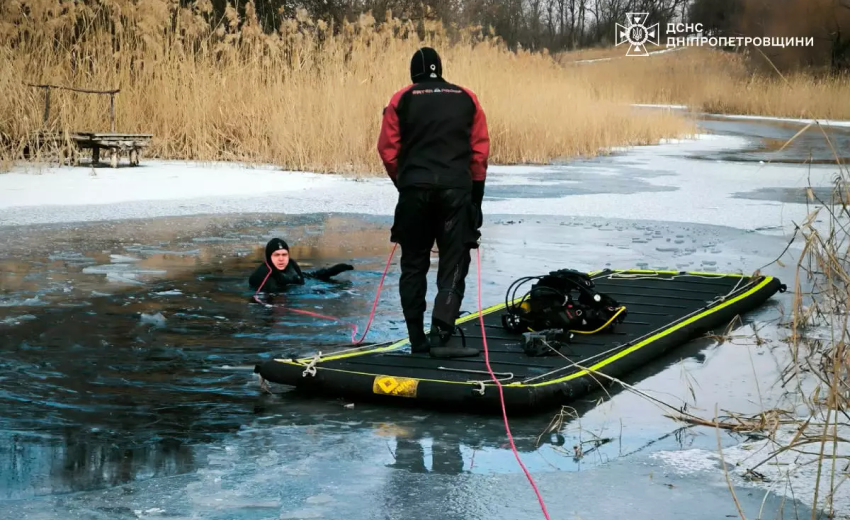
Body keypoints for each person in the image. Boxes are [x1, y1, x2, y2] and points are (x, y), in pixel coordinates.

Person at [377, 46, 490, 357]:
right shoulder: (467, 97)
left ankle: (417, 339)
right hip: (456, 191)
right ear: (440, 69)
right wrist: (475, 198)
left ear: (413, 73)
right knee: (455, 259)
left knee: (413, 264)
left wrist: (405, 182)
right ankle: (442, 329)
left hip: (415, 191)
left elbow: (387, 150)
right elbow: (479, 152)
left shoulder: (401, 99)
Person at [249, 238, 354, 293]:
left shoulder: (291, 264)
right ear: (269, 257)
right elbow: (276, 295)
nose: (281, 259)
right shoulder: (264, 276)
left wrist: (330, 272)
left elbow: (308, 277)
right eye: (276, 255)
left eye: (284, 255)